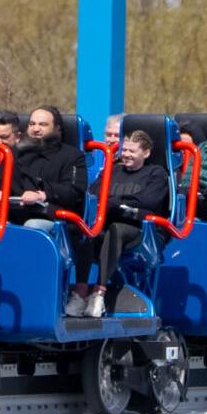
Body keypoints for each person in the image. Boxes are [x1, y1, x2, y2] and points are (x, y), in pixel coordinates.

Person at [68, 130, 169, 318]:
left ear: (146, 153)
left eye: (133, 151)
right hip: (108, 223)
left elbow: (148, 201)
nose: (127, 155)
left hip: (140, 229)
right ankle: (81, 292)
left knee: (116, 230)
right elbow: (94, 192)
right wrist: (115, 203)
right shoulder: (112, 170)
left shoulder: (155, 173)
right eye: (125, 150)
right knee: (89, 233)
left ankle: (99, 293)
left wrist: (116, 201)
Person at [10, 106, 88, 230]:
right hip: (16, 211)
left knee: (32, 226)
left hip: (52, 216)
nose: (36, 129)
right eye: (32, 124)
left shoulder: (72, 156)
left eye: (43, 124)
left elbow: (74, 192)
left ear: (57, 128)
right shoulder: (16, 152)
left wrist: (43, 194)